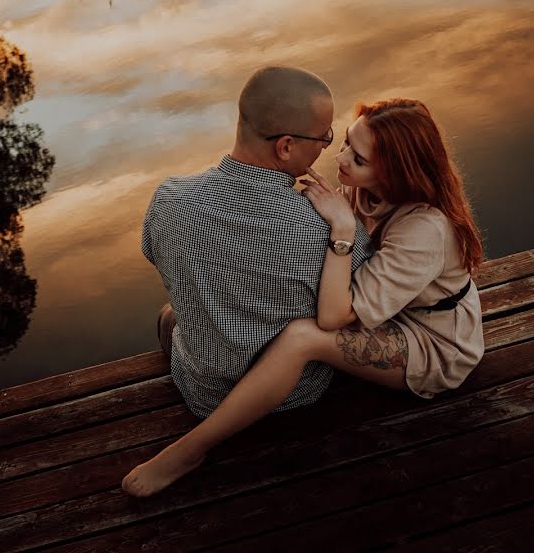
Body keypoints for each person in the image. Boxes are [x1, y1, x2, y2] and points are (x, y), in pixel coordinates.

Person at [122, 97, 485, 497]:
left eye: (358, 159)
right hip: (382, 314)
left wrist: (343, 229)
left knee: (301, 336)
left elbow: (332, 317)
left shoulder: (425, 230)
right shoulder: (367, 190)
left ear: (397, 170)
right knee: (175, 310)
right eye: (345, 142)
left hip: (430, 343)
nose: (342, 159)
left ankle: (190, 449)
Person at [128, 65, 375, 484]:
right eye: (325, 138)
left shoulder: (167, 200)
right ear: (285, 147)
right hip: (298, 394)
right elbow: (356, 304)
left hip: (202, 393)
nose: (328, 149)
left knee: (170, 312)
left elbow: (155, 255)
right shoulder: (323, 228)